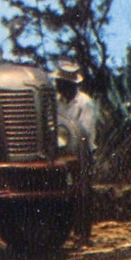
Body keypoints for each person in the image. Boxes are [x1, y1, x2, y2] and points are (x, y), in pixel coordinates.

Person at [54, 61, 97, 245]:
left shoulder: (85, 103)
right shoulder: (56, 102)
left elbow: (84, 131)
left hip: (81, 150)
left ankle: (83, 233)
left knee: (82, 192)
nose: (58, 86)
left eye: (62, 83)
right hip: (60, 150)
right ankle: (65, 231)